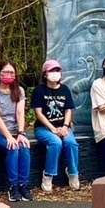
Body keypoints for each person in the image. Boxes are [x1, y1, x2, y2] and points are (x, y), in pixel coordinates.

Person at [0, 60, 33, 202]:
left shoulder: (19, 91)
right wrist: (8, 137)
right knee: (13, 148)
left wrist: (21, 133)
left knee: (24, 147)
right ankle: (13, 187)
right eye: (5, 72)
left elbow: (20, 113)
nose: (9, 75)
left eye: (12, 72)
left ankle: (23, 185)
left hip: (15, 131)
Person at [31, 60, 80, 192]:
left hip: (63, 127)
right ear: (45, 74)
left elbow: (68, 110)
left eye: (57, 70)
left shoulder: (65, 90)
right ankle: (48, 175)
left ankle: (73, 173)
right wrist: (52, 128)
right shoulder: (39, 91)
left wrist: (65, 126)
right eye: (52, 71)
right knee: (56, 143)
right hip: (44, 128)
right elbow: (39, 113)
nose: (55, 73)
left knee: (71, 143)